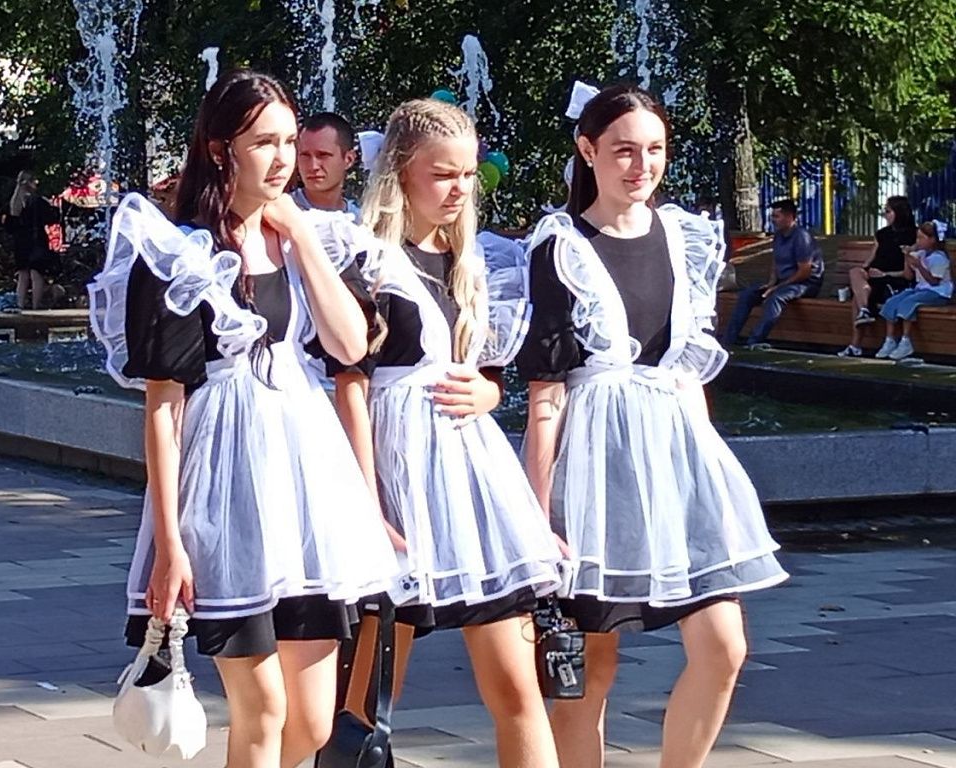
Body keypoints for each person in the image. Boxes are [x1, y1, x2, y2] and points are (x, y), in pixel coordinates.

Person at [88, 69, 399, 768]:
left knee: (311, 724)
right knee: (263, 713)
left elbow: (351, 345)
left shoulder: (307, 238)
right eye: (264, 143)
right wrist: (169, 542)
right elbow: (164, 405)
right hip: (226, 494)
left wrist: (302, 236)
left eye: (290, 141)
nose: (284, 158)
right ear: (220, 148)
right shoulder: (180, 253)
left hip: (307, 494)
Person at [518, 83, 788, 768]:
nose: (642, 166)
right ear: (588, 151)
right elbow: (546, 395)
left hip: (676, 460)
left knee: (724, 647)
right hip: (594, 471)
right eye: (624, 151)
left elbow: (689, 372)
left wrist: (706, 474)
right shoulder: (561, 247)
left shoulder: (682, 237)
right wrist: (537, 515)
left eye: (655, 150)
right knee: (591, 670)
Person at [330, 98, 563, 768]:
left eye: (467, 174)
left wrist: (490, 390)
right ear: (401, 172)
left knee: (518, 686)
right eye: (442, 174)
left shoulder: (474, 261)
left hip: (472, 481)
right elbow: (350, 386)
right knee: (372, 692)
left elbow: (487, 374)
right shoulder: (367, 260)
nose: (459, 188)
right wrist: (369, 505)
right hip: (399, 474)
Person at [720, 198, 823, 348]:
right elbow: (776, 261)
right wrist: (771, 283)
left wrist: (777, 287)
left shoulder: (802, 237)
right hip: (784, 283)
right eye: (772, 216)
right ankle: (727, 341)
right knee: (747, 295)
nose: (773, 220)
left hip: (805, 284)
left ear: (789, 217)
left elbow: (804, 272)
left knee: (775, 298)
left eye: (776, 216)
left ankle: (755, 340)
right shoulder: (778, 236)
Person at [837, 196, 917, 357]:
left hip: (894, 278)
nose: (885, 215)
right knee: (855, 273)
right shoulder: (881, 234)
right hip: (875, 276)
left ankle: (856, 344)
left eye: (888, 211)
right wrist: (864, 270)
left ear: (899, 212)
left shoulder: (914, 235)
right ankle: (864, 310)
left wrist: (884, 274)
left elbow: (909, 272)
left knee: (857, 298)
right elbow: (870, 259)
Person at [874, 220, 952, 361]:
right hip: (920, 289)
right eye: (917, 237)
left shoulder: (939, 258)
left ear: (932, 240)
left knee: (909, 302)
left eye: (921, 238)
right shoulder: (920, 254)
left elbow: (934, 282)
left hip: (939, 293)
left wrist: (919, 266)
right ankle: (890, 340)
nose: (918, 241)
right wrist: (907, 257)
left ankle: (906, 340)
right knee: (892, 301)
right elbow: (908, 276)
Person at [2, 171, 61, 310]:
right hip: (36, 240)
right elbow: (52, 218)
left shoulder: (14, 202)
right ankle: (36, 306)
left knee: (22, 275)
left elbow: (10, 225)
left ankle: (20, 304)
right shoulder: (38, 201)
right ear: (30, 182)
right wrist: (53, 207)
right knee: (36, 274)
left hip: (20, 242)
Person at [291, 111, 361, 220]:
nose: (313, 166)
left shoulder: (361, 222)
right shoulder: (275, 214)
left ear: (349, 159)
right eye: (305, 155)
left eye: (323, 155)